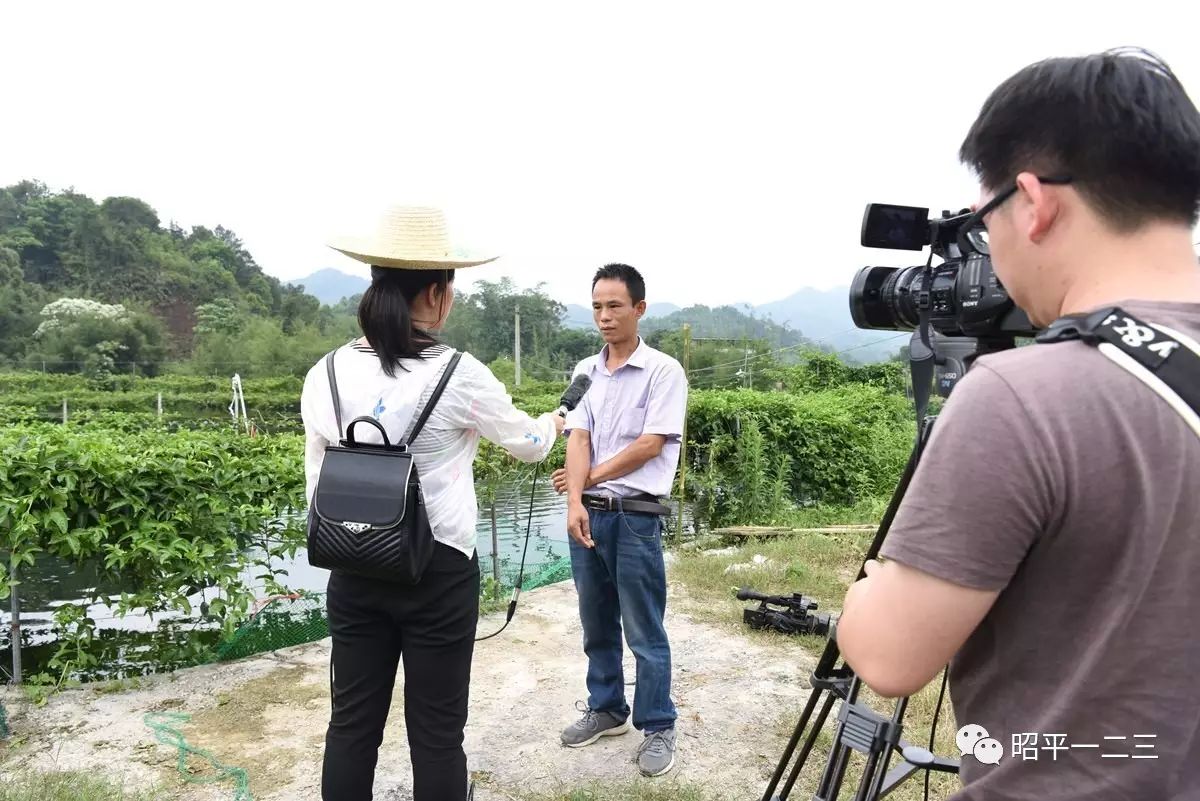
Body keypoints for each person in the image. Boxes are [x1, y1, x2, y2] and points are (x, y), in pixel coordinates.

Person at [835, 48, 1200, 800]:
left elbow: (889, 656)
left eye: (984, 214)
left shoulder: (1025, 394)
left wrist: (872, 587)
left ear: (1033, 202)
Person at [300, 205, 565, 801]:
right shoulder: (458, 374)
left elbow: (316, 472)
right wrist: (552, 422)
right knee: (437, 734)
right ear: (440, 294)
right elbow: (527, 445)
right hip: (438, 571)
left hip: (352, 562)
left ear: (374, 284)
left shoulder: (327, 371)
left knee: (350, 727)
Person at [550, 263, 688, 777]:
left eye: (614, 306)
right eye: (597, 307)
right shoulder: (586, 370)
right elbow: (577, 438)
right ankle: (607, 707)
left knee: (644, 629)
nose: (604, 317)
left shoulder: (663, 372)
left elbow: (651, 444)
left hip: (634, 517)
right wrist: (574, 503)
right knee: (595, 621)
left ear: (639, 309)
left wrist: (586, 482)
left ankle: (658, 725)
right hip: (590, 517)